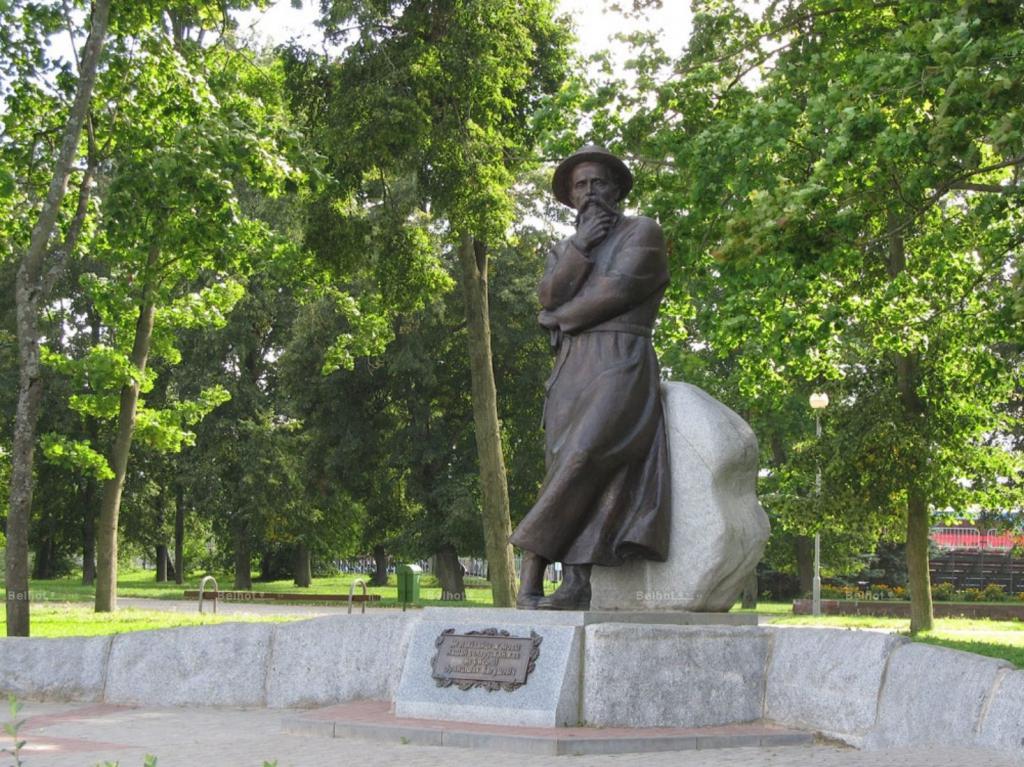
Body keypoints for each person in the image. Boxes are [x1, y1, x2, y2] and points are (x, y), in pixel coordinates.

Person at [510, 145, 671, 610]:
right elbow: (547, 295)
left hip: (620, 357)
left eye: (598, 182)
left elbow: (618, 289)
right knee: (566, 464)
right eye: (580, 186)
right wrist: (580, 248)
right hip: (570, 368)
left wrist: (560, 320)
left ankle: (534, 560)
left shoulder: (642, 231)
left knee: (585, 456)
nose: (589, 193)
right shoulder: (565, 248)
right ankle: (575, 581)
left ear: (617, 188)